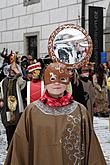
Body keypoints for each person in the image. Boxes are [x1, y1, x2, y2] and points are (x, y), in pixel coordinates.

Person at [5, 62, 106, 165]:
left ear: (68, 81)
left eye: (62, 79)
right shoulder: (31, 112)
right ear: (45, 81)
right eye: (52, 78)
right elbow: (20, 149)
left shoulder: (80, 111)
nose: (57, 83)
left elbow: (92, 150)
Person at [0, 62, 26, 149]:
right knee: (8, 126)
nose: (11, 72)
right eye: (10, 70)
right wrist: (0, 100)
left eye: (13, 71)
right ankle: (9, 144)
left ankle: (15, 144)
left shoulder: (18, 80)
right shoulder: (3, 81)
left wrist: (17, 72)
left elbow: (22, 84)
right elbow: (0, 93)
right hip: (6, 107)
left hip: (17, 108)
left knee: (16, 126)